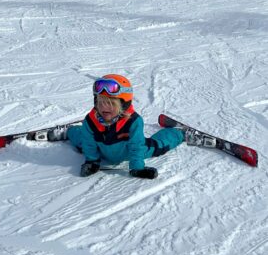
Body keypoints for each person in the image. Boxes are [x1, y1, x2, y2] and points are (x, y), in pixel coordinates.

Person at [49, 74, 184, 179]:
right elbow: (89, 143)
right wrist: (92, 161)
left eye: (111, 103)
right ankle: (68, 131)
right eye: (100, 102)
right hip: (100, 149)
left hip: (127, 152)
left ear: (123, 104)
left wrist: (137, 167)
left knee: (157, 146)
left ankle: (179, 134)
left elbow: (136, 147)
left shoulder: (134, 122)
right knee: (82, 140)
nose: (104, 107)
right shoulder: (90, 120)